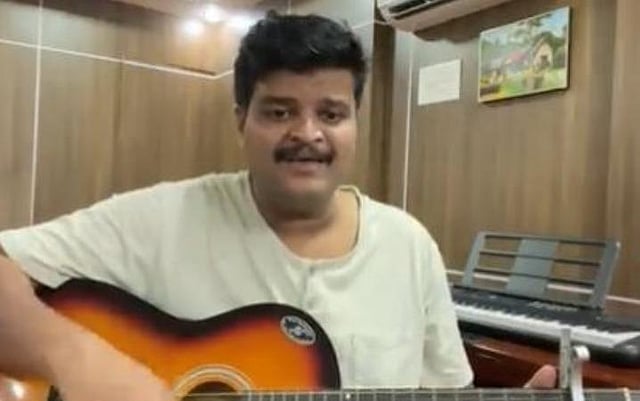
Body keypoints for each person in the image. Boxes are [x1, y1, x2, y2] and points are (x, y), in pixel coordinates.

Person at [0, 11, 555, 401]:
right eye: (280, 111)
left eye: (331, 114)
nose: (307, 133)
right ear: (242, 119)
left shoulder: (410, 246)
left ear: (355, 124)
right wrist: (81, 361)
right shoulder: (162, 219)